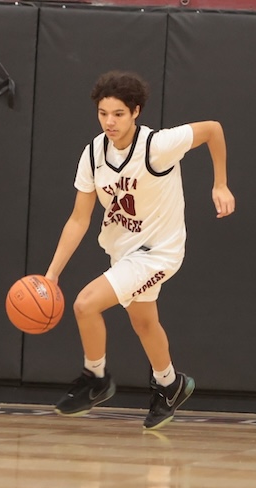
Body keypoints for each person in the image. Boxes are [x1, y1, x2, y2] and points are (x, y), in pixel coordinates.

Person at [45, 70, 235, 430]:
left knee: (85, 304)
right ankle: (170, 384)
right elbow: (78, 219)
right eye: (103, 113)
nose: (110, 122)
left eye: (118, 114)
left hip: (159, 251)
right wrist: (52, 275)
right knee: (144, 322)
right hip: (124, 250)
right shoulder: (94, 153)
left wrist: (220, 184)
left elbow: (213, 129)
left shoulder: (157, 146)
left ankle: (96, 378)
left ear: (135, 112)